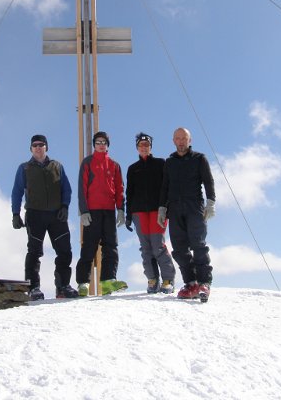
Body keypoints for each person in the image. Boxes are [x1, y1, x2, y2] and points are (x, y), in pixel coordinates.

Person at [11, 134, 78, 300]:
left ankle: (63, 286)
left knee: (64, 251)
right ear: (31, 149)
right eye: (35, 145)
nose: (38, 147)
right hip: (35, 214)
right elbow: (17, 192)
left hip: (57, 215)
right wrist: (15, 214)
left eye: (41, 145)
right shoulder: (24, 168)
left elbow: (66, 189)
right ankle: (33, 288)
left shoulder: (57, 166)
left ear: (46, 147)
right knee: (34, 252)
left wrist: (64, 206)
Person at [158, 127, 216, 302]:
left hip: (194, 207)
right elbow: (165, 186)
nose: (181, 141)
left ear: (189, 140)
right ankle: (190, 284)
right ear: (173, 140)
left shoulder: (199, 159)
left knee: (198, 245)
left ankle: (204, 283)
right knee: (180, 248)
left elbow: (208, 181)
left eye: (184, 138)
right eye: (178, 138)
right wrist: (162, 208)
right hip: (175, 209)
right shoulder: (170, 162)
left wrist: (210, 202)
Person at [75, 131, 128, 296]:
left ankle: (107, 281)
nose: (101, 144)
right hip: (92, 211)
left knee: (111, 246)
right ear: (94, 144)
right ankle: (83, 282)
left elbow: (119, 188)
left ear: (107, 145)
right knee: (89, 246)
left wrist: (120, 209)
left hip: (109, 211)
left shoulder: (114, 165)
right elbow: (82, 188)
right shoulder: (88, 162)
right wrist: (83, 211)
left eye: (104, 142)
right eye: (98, 142)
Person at [126, 132, 176, 294]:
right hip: (138, 212)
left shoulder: (161, 163)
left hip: (157, 210)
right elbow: (129, 192)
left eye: (147, 145)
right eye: (141, 145)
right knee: (145, 247)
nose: (144, 148)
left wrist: (166, 206)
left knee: (157, 245)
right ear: (137, 148)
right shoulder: (133, 169)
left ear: (151, 147)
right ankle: (152, 279)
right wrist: (128, 215)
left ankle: (168, 279)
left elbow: (167, 186)